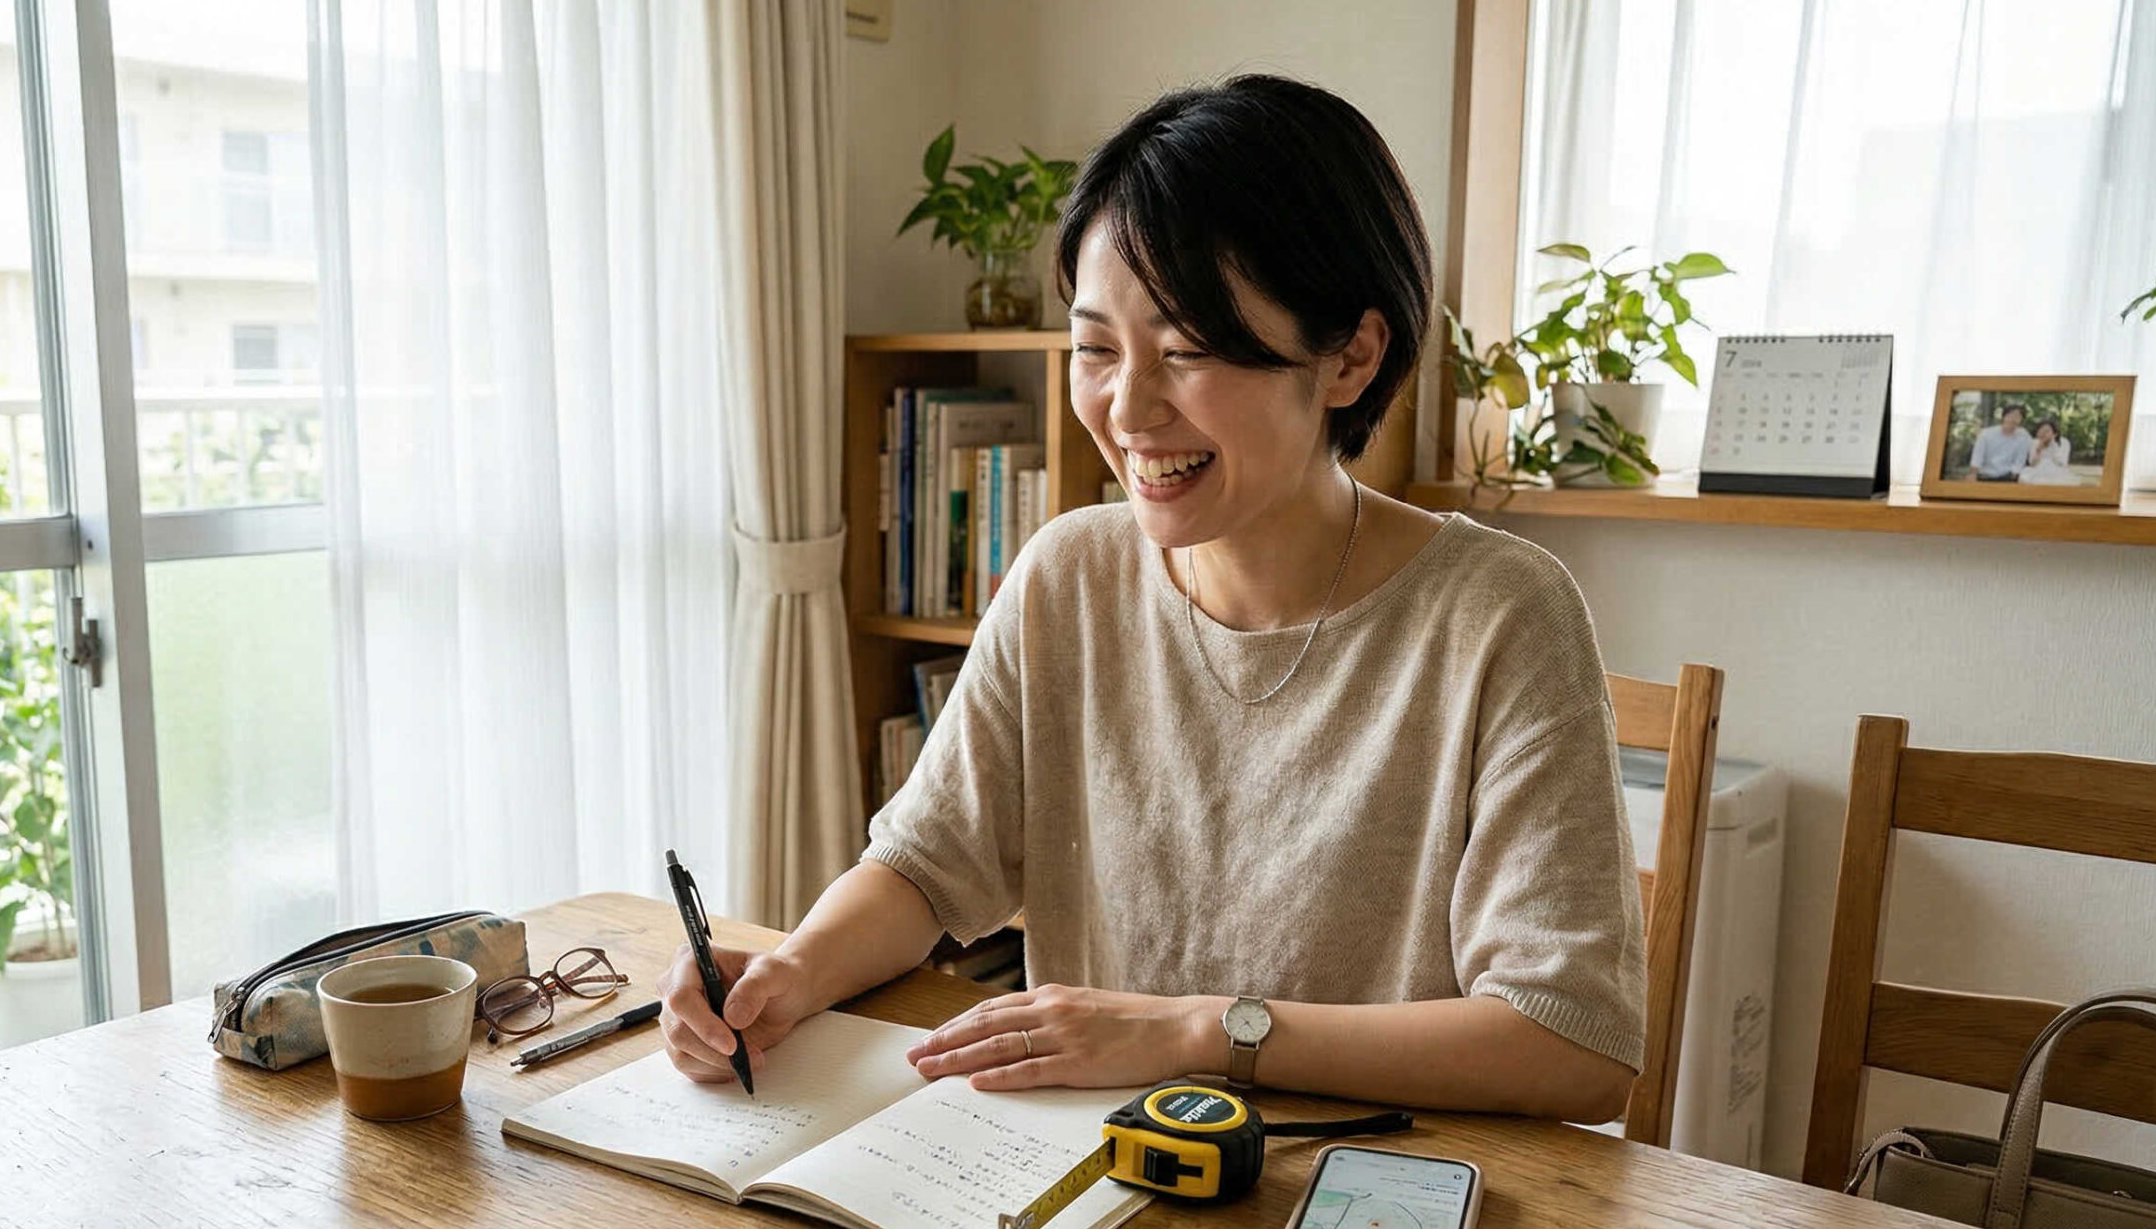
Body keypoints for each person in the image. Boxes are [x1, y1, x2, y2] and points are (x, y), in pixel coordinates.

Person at [659, 75, 1642, 1123]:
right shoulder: (1066, 577)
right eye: (1094, 349)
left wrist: (1192, 1031)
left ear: (1352, 356)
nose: (1126, 410)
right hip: (1083, 1184)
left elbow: (1569, 1038)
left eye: (1186, 350)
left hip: (1359, 1205)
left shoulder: (1500, 613)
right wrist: (790, 973)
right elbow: (923, 870)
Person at [1967, 403, 2033, 482]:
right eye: (2010, 415)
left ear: (2021, 420)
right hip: (1985, 475)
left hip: (2009, 477)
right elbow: (1977, 459)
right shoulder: (1986, 434)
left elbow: (2022, 459)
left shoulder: (2023, 436)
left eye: (2017, 417)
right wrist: (1973, 474)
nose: (2013, 419)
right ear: (2003, 416)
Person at [2018, 417, 2077, 485]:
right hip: (2038, 472)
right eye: (2040, 431)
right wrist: (2039, 450)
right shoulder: (2034, 442)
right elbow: (2032, 464)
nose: (2043, 433)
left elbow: (2062, 463)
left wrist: (2052, 446)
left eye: (2046, 431)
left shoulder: (2063, 442)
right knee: (2024, 476)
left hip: (2056, 471)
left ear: (2055, 434)